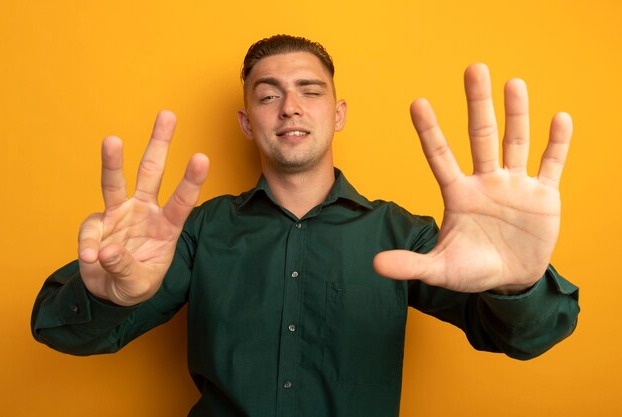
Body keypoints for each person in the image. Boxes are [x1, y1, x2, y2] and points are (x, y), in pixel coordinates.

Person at [31, 35, 580, 417]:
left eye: (309, 91)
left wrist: (516, 286)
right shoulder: (198, 232)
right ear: (248, 121)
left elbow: (529, 339)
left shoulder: (403, 235)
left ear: (337, 113)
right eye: (268, 95)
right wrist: (105, 296)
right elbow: (62, 334)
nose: (290, 107)